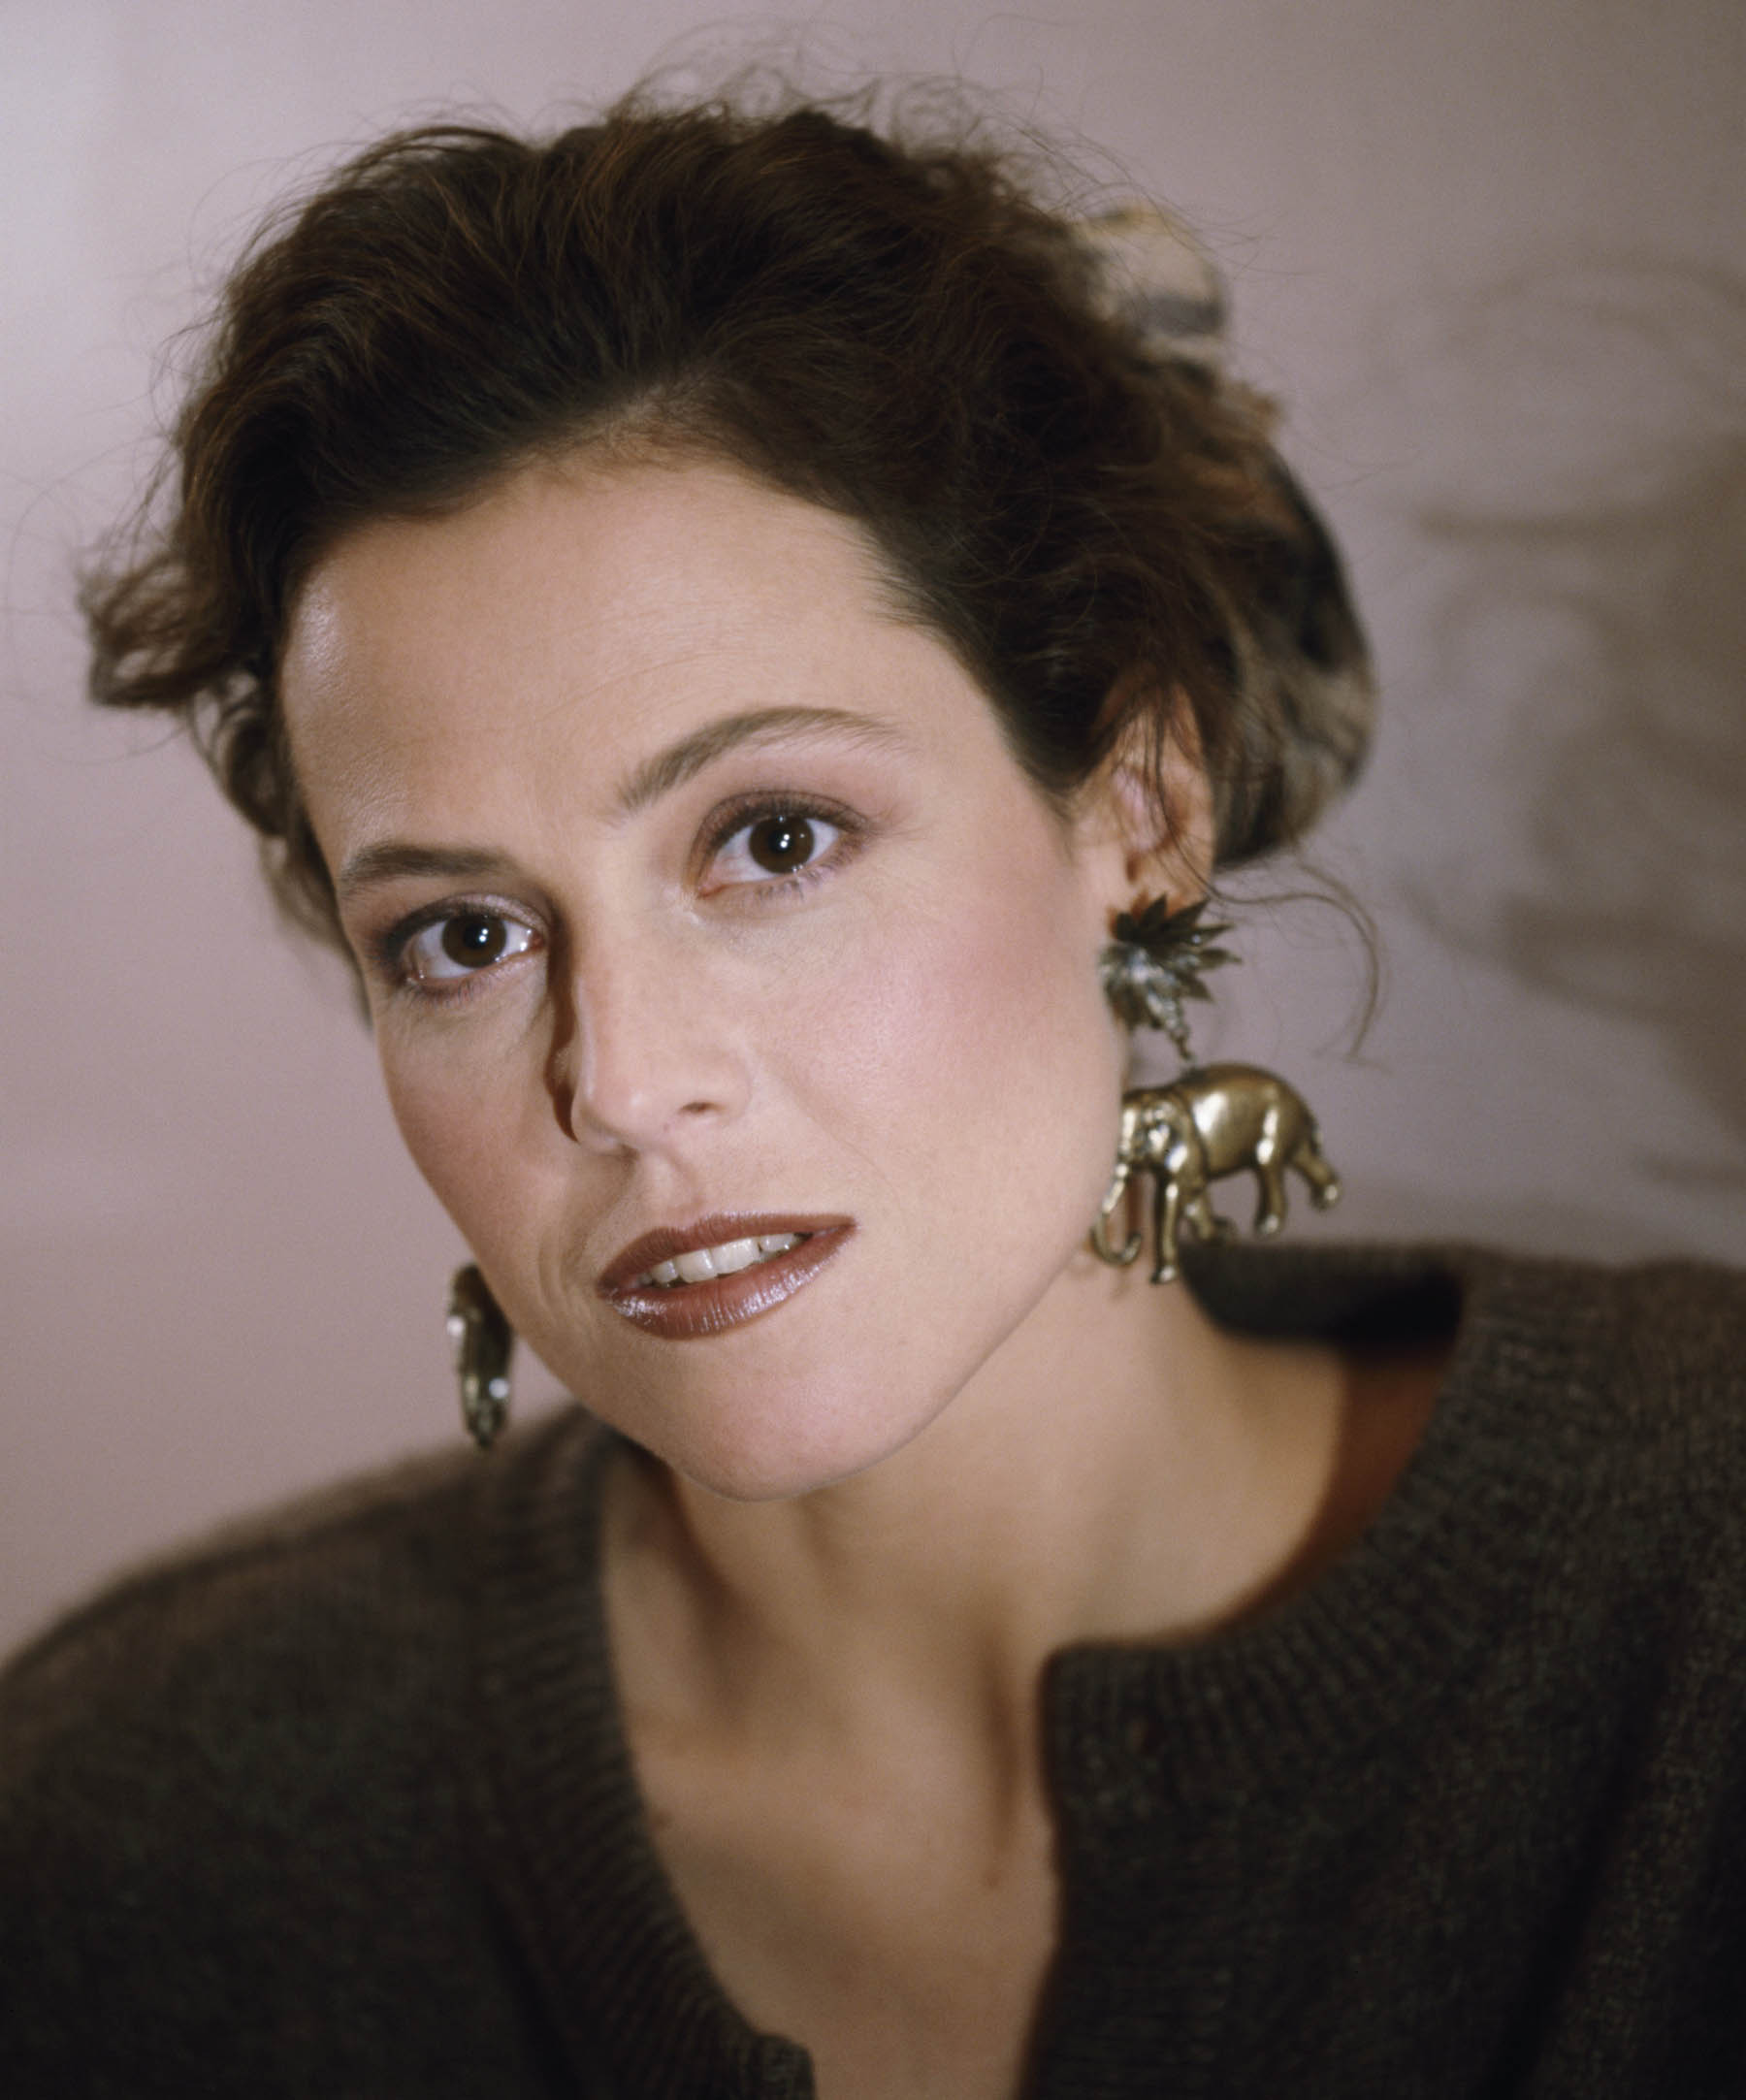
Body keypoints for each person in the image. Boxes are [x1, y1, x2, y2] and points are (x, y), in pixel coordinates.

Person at [2, 87, 1743, 2100]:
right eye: (464, 937)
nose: (624, 1084)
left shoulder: (1695, 1588)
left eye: (775, 839)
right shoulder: (137, 1848)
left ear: (1142, 805)